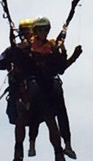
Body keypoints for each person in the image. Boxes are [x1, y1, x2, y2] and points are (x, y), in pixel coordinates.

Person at [0, 21, 67, 161]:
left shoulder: (43, 49)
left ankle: (59, 153)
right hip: (23, 93)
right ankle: (18, 153)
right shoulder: (14, 51)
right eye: (23, 34)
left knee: (50, 117)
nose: (26, 37)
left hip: (41, 90)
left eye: (29, 34)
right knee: (22, 115)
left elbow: (57, 67)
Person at [24, 17, 82, 159]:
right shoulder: (28, 46)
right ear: (35, 31)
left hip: (50, 82)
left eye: (45, 29)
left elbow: (61, 68)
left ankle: (67, 144)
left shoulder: (52, 46)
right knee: (36, 109)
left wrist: (70, 55)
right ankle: (31, 142)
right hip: (36, 82)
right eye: (40, 30)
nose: (43, 32)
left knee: (61, 110)